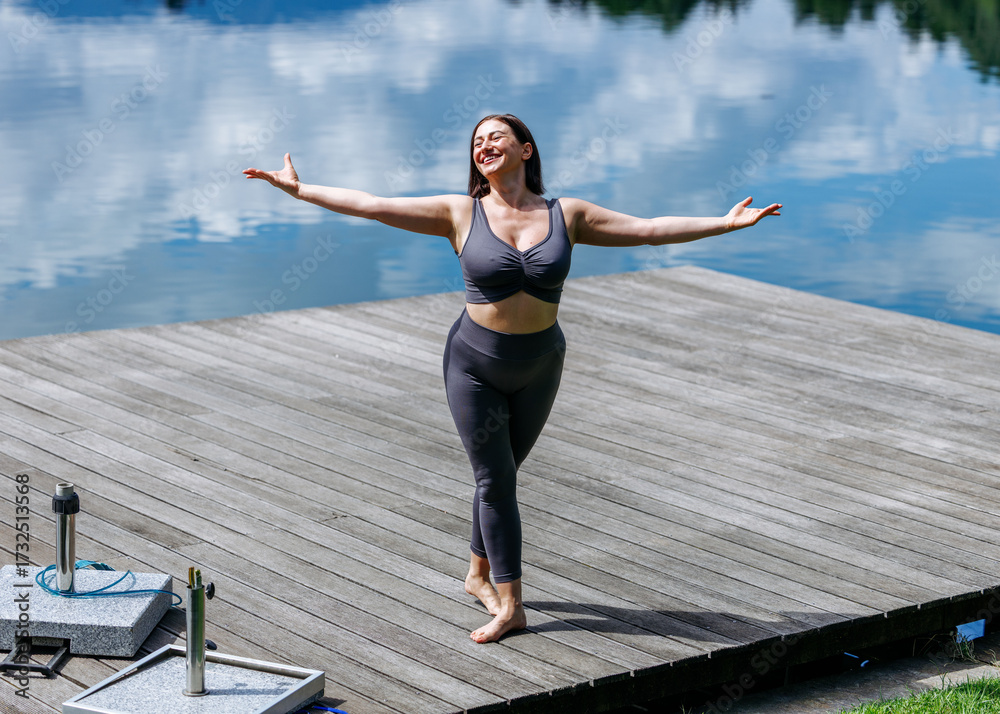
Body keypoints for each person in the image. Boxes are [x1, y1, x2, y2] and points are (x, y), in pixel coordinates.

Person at [243, 113, 781, 644]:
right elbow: (376, 206)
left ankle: (478, 575)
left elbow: (646, 231)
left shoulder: (566, 213)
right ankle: (513, 606)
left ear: (526, 149)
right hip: (474, 365)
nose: (484, 146)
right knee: (495, 481)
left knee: (500, 477)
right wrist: (301, 190)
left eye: (496, 136)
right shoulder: (459, 212)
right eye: (477, 142)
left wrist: (724, 223)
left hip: (541, 365)